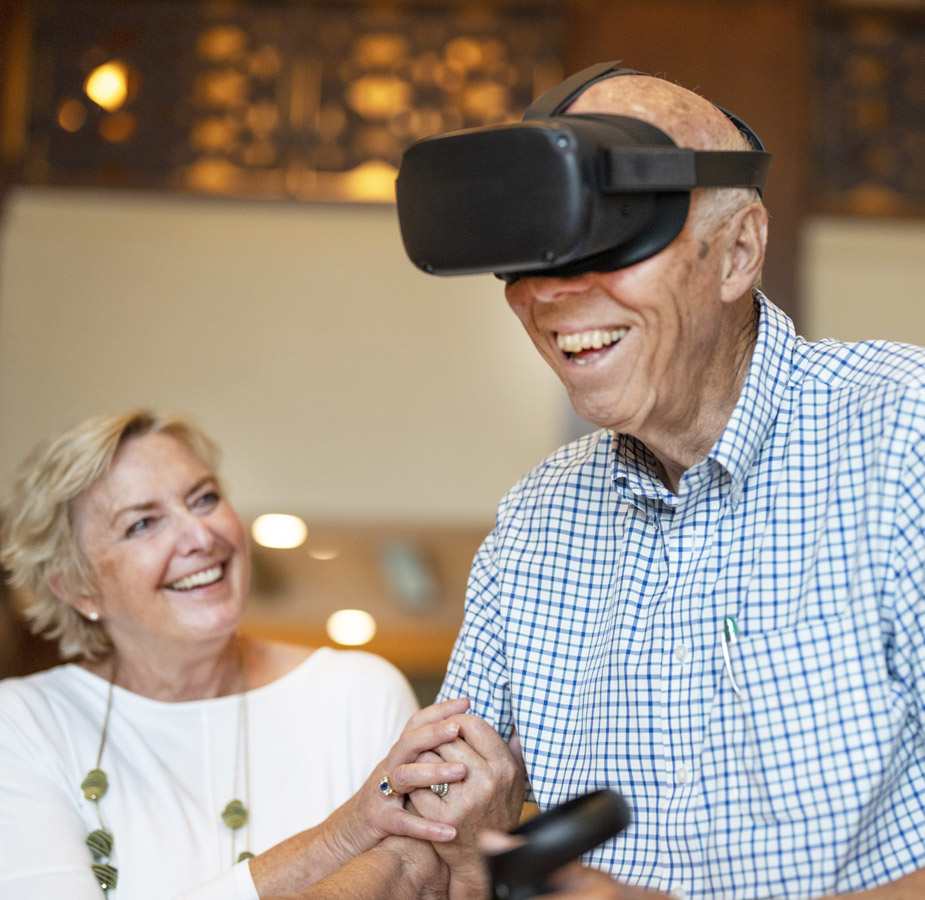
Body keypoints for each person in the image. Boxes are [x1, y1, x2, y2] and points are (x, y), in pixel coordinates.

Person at [397, 63, 925, 899]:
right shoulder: (535, 523)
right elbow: (435, 832)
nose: (554, 293)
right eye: (532, 252)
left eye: (612, 239)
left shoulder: (903, 434)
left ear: (737, 253)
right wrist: (446, 828)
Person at [0, 409, 523, 899]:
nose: (200, 535)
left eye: (204, 498)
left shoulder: (357, 693)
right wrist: (340, 836)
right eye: (143, 524)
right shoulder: (25, 722)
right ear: (77, 587)